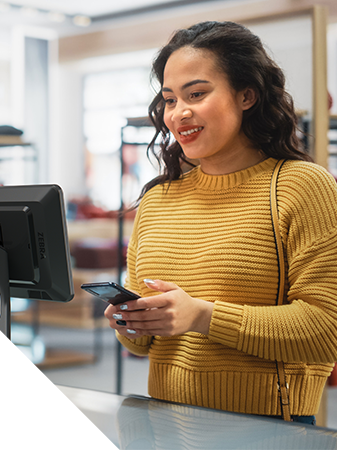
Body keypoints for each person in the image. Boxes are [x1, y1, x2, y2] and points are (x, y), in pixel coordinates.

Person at [105, 21, 337, 424]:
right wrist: (131, 323)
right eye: (170, 99)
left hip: (269, 430)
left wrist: (202, 315)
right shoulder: (158, 198)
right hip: (166, 423)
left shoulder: (302, 186)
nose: (179, 113)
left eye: (197, 94)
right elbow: (145, 347)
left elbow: (326, 332)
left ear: (247, 95)